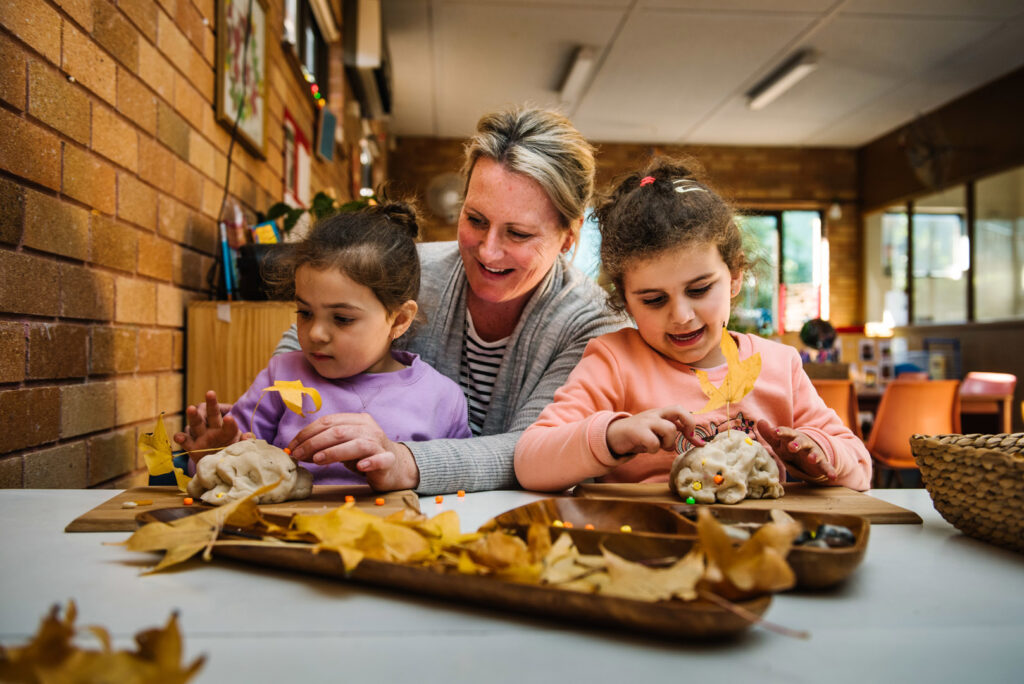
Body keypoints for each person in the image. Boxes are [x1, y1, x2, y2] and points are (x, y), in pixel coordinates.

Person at [184, 106, 627, 494]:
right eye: (475, 220)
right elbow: (299, 353)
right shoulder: (408, 269)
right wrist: (243, 432)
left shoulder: (592, 326)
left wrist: (405, 461)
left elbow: (535, 450)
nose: (488, 251)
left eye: (518, 233)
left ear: (568, 239)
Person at [514, 158, 872, 492]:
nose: (682, 315)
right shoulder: (614, 362)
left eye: (699, 289)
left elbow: (860, 468)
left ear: (734, 277)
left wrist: (819, 454)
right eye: (654, 300)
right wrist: (612, 435)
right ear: (625, 301)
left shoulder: (781, 366)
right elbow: (530, 462)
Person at [174, 202, 471, 484]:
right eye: (305, 313)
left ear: (399, 320)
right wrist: (208, 455)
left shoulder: (443, 399)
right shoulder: (281, 376)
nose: (315, 333)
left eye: (342, 318)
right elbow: (227, 469)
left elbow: (459, 481)